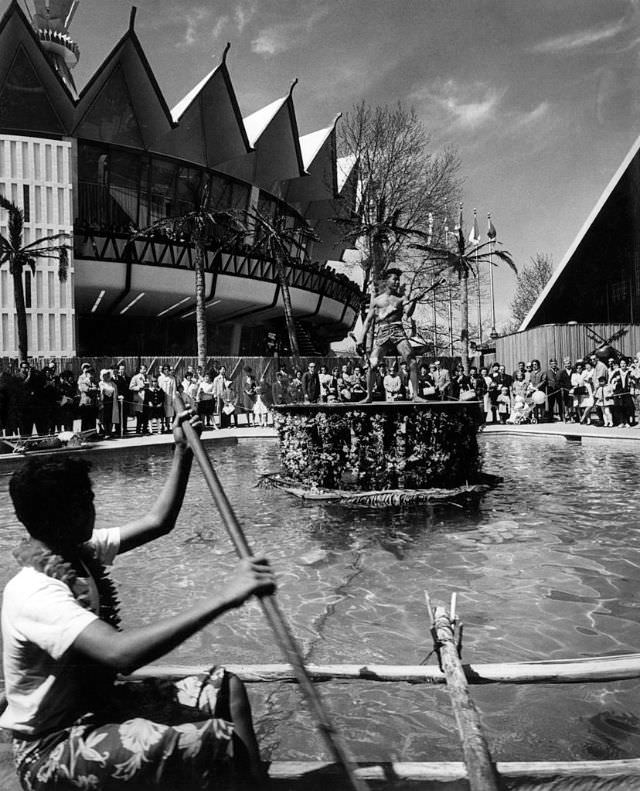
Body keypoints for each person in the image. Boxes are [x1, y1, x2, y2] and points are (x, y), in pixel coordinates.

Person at [1, 411, 274, 791]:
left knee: (226, 689)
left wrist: (181, 450)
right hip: (51, 748)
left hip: (98, 706)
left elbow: (159, 520)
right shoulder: (35, 591)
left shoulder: (78, 550)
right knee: (214, 739)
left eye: (89, 499)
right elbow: (121, 654)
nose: (92, 509)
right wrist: (225, 597)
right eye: (83, 503)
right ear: (54, 518)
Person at [357, 268, 431, 402]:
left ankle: (415, 395)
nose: (397, 282)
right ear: (386, 281)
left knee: (412, 361)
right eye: (394, 279)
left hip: (398, 331)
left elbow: (408, 314)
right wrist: (360, 339)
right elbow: (368, 321)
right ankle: (369, 396)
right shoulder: (377, 301)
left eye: (398, 280)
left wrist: (414, 301)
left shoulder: (401, 298)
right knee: (372, 365)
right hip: (382, 332)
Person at [158, 365, 178, 433]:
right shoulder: (160, 378)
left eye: (167, 369)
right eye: (165, 369)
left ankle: (167, 426)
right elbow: (158, 388)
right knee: (161, 412)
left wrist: (173, 398)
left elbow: (174, 390)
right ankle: (162, 426)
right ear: (163, 370)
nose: (166, 371)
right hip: (161, 397)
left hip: (169, 397)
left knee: (168, 413)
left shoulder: (172, 378)